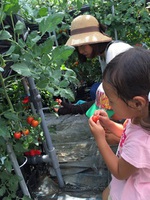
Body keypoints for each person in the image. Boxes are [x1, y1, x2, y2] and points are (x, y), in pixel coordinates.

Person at [89, 47, 150, 200]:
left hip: (132, 193)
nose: (109, 104)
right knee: (106, 194)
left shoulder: (141, 143)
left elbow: (119, 171)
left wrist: (100, 139)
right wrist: (108, 124)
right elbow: (125, 134)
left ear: (137, 103)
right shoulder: (139, 118)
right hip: (125, 182)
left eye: (112, 100)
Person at [55, 14, 132, 115]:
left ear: (94, 41)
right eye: (78, 47)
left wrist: (74, 109)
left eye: (82, 45)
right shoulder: (104, 55)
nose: (81, 51)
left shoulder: (115, 51)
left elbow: (113, 98)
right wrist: (74, 108)